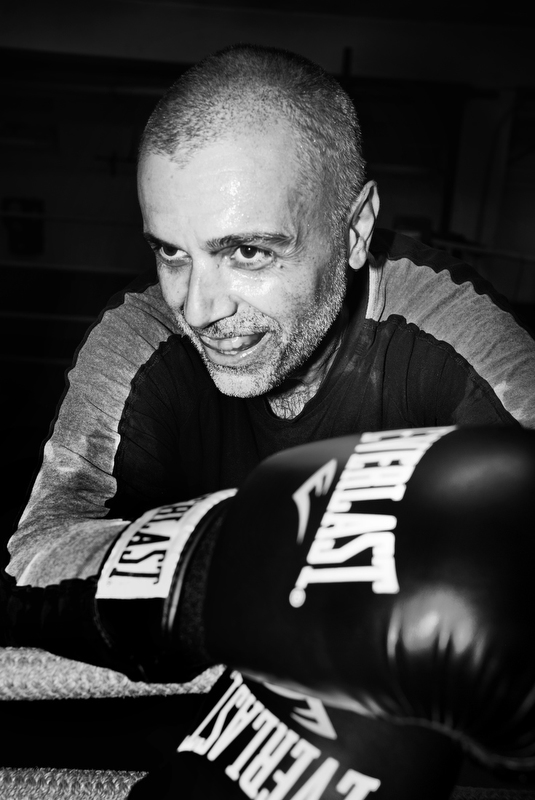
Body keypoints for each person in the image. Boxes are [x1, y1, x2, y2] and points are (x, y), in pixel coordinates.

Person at [2, 43, 535, 798]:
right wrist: (244, 561)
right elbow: (35, 554)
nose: (198, 307)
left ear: (355, 230)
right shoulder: (139, 338)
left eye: (247, 252)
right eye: (171, 253)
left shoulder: (448, 330)